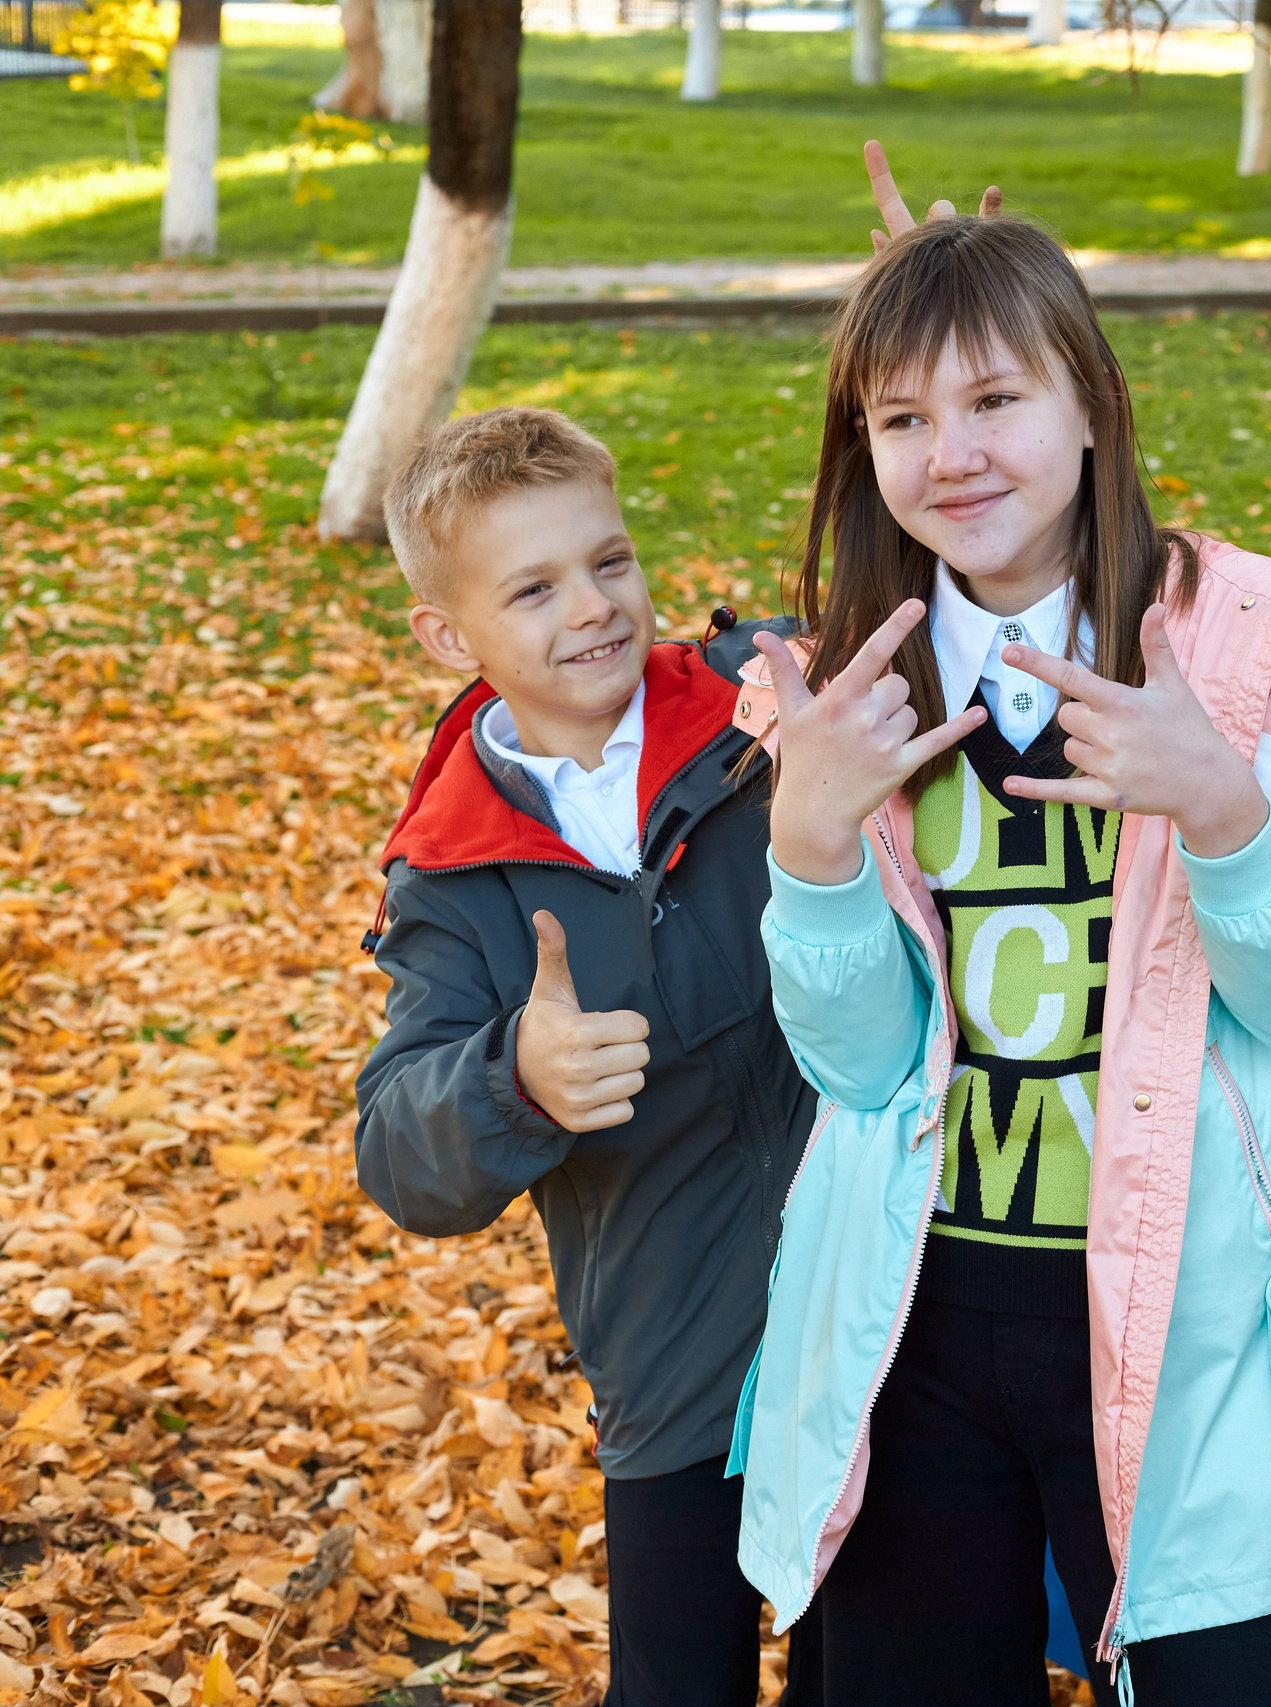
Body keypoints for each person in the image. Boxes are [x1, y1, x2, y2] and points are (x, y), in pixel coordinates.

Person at [726, 212, 1271, 1706]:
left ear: (1091, 400)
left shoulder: (1239, 637)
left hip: (1193, 1319)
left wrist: (1219, 805)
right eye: (902, 417)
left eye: (993, 399)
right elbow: (858, 1061)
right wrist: (812, 849)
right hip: (922, 1320)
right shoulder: (849, 684)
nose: (949, 451)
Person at [354, 407, 814, 1707]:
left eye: (609, 561)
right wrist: (515, 1076)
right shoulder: (454, 874)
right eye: (536, 586)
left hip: (877, 1308)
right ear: (449, 637)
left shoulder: (762, 714)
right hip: (674, 1361)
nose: (595, 607)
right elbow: (396, 1147)